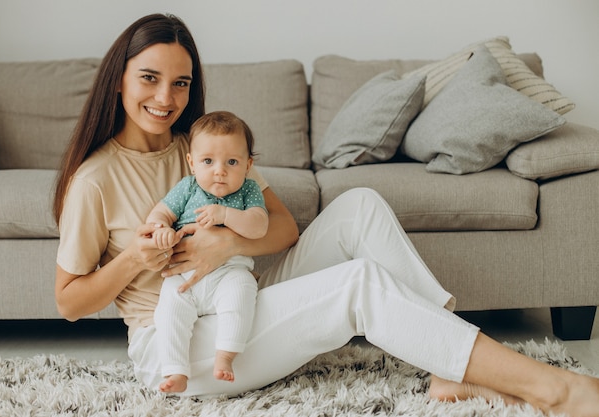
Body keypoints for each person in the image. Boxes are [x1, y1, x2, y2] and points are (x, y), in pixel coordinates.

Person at [52, 13, 599, 416]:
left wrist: (232, 243)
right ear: (119, 78)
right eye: (149, 77)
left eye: (181, 82)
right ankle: (557, 389)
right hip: (174, 343)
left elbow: (286, 229)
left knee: (358, 205)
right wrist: (133, 260)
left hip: (238, 298)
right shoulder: (94, 178)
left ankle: (448, 364)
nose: (165, 97)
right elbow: (70, 300)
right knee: (356, 285)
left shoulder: (203, 147)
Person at [146, 110, 268, 392]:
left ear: (248, 165)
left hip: (229, 271)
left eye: (232, 162)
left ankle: (225, 355)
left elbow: (259, 225)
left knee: (242, 293)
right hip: (183, 276)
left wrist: (225, 214)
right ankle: (175, 370)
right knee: (168, 311)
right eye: (208, 161)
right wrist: (161, 228)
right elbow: (159, 213)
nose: (220, 170)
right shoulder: (187, 188)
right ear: (192, 163)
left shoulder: (248, 190)